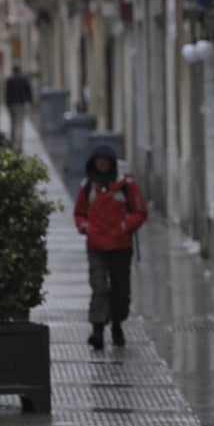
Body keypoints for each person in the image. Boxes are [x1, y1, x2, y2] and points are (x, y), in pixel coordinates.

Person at [73, 144, 148, 350]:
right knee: (99, 287)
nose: (102, 164)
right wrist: (85, 226)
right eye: (99, 160)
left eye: (105, 160)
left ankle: (116, 324)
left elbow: (140, 212)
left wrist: (124, 227)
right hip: (96, 245)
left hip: (121, 246)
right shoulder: (87, 186)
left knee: (120, 290)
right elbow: (79, 213)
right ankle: (97, 329)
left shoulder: (126, 186)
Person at [4, 65, 33, 152]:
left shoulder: (9, 80)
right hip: (20, 104)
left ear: (13, 71)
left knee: (12, 123)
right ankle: (19, 145)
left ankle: (12, 142)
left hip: (12, 105)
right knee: (19, 124)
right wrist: (30, 102)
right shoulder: (24, 80)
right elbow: (29, 92)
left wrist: (7, 104)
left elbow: (7, 93)